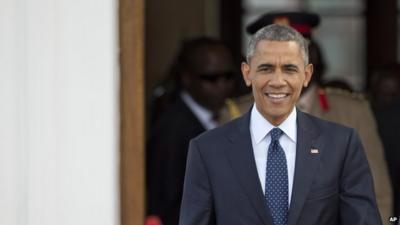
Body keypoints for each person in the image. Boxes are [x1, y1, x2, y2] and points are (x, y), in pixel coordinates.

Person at [180, 24, 381, 225]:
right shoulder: (207, 149)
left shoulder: (340, 145)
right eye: (266, 68)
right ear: (247, 73)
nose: (277, 81)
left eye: (289, 69)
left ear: (307, 75)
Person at [146, 37, 236, 225]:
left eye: (228, 76)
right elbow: (169, 206)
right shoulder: (172, 130)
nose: (222, 85)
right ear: (187, 79)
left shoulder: (227, 115)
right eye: (211, 78)